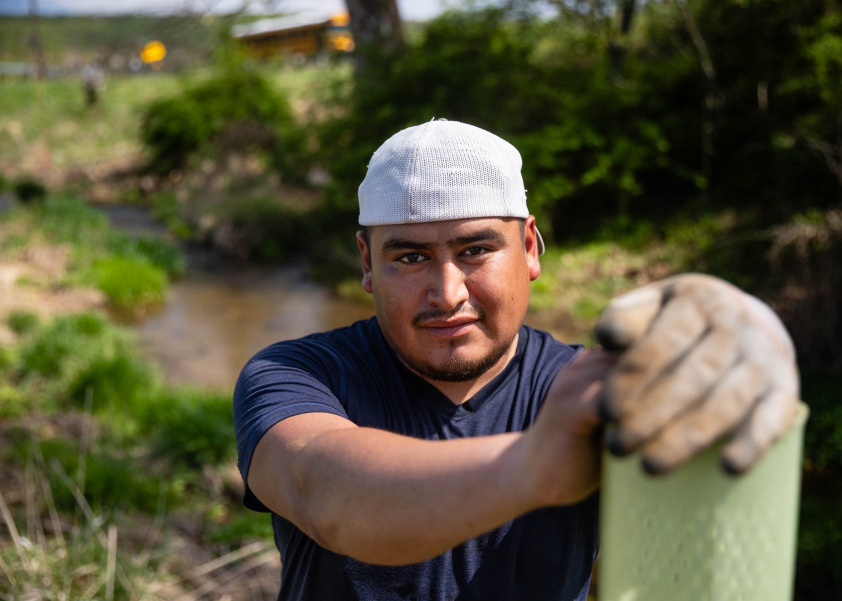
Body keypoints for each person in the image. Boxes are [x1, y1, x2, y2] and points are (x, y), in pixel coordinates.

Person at [232, 120, 800, 600]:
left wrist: (740, 334)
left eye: (475, 249)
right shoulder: (297, 374)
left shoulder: (580, 390)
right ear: (366, 261)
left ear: (529, 247)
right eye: (409, 257)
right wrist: (534, 465)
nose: (447, 292)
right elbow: (323, 492)